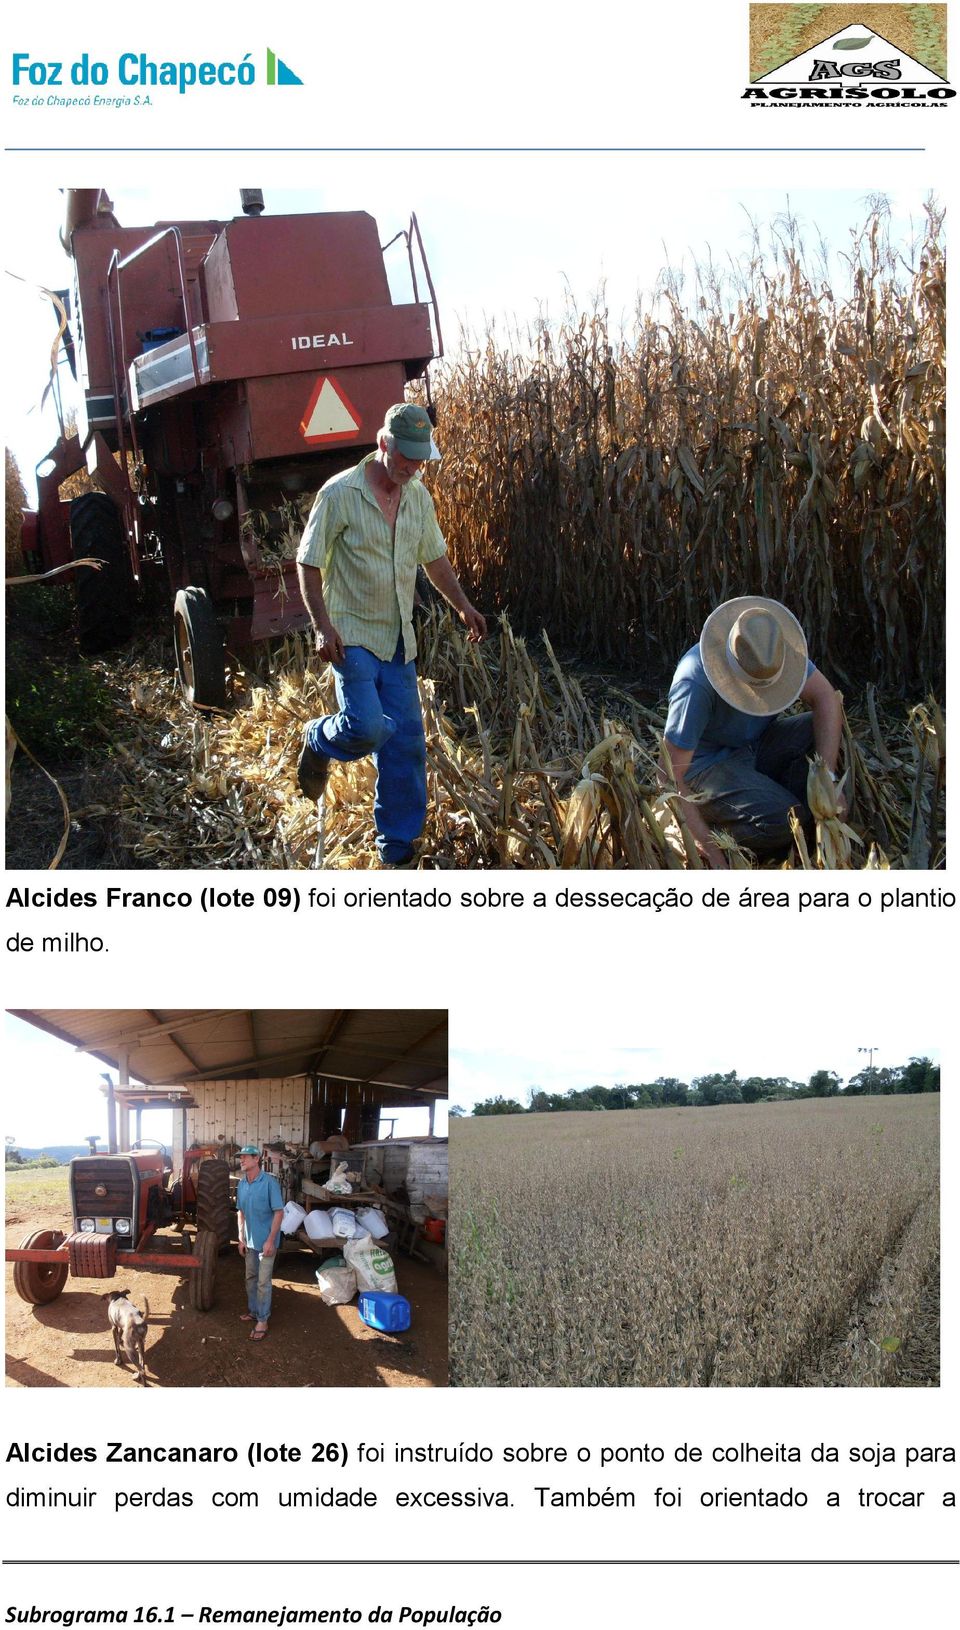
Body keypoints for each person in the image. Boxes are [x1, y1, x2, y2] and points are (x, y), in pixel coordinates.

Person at [295, 404, 487, 866]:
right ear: (384, 444)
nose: (414, 467)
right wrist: (323, 626)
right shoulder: (339, 493)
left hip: (400, 639)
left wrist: (462, 605)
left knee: (404, 748)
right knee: (364, 728)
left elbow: (434, 559)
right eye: (407, 458)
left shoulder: (417, 496)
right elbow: (309, 561)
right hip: (352, 635)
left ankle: (396, 851)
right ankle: (318, 739)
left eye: (422, 459)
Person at [662, 596, 844, 869]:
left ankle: (791, 807)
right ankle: (709, 823)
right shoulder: (695, 683)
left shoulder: (773, 652)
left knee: (817, 730)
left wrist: (827, 778)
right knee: (786, 821)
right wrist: (710, 850)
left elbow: (826, 698)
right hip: (707, 766)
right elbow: (668, 774)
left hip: (754, 744)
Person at [236, 1144, 284, 1342]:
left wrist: (270, 1241)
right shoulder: (242, 1184)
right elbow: (241, 1212)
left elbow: (279, 1212)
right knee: (250, 1278)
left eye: (246, 1157)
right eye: (241, 1157)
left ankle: (263, 1320)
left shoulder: (270, 1183)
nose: (242, 1160)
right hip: (250, 1242)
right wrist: (240, 1237)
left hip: (266, 1242)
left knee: (263, 1282)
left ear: (257, 1159)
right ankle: (254, 1311)